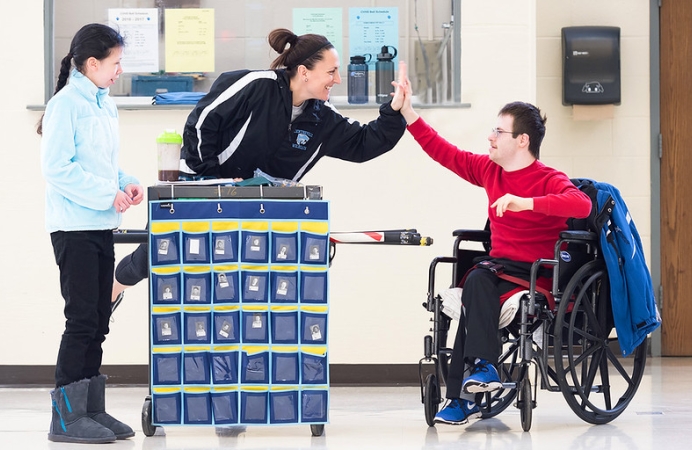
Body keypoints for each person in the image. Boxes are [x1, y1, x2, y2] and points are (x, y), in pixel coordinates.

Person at [110, 27, 409, 312]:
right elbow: (203, 121)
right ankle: (111, 290)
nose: (338, 80)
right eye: (331, 72)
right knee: (154, 255)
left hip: (259, 207)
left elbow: (365, 143)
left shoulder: (323, 119)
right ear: (304, 72)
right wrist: (213, 181)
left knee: (243, 281)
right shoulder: (256, 85)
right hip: (201, 188)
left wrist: (394, 111)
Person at [393, 65, 592, 425]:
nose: (490, 138)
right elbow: (444, 152)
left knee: (477, 283)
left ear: (522, 141)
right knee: (475, 280)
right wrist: (408, 113)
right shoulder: (490, 171)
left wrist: (527, 202)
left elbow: (582, 205)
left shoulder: (549, 179)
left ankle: (462, 396)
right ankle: (481, 371)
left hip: (537, 273)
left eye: (498, 132)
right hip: (500, 268)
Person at [38, 23, 143, 443]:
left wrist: (126, 182)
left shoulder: (103, 104)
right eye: (115, 63)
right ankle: (64, 418)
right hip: (73, 227)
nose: (119, 71)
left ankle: (90, 410)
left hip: (100, 224)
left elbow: (102, 164)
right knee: (81, 319)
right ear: (92, 63)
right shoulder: (65, 104)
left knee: (99, 319)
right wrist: (107, 193)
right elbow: (57, 169)